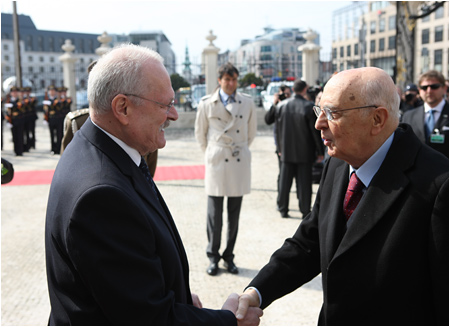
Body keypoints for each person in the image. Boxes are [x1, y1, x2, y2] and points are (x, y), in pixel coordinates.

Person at [45, 44, 262, 325]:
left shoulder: (102, 148)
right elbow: (148, 318)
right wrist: (228, 321)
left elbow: (129, 282)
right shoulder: (100, 195)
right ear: (122, 107)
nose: (173, 115)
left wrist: (178, 296)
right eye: (165, 104)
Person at [236, 67, 448, 326]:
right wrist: (257, 292)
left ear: (377, 119)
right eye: (319, 110)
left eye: (332, 113)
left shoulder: (439, 185)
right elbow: (309, 243)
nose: (318, 123)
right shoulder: (337, 164)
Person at [195, 62, 257, 276]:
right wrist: (213, 152)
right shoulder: (206, 104)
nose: (231, 83)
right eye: (227, 80)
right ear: (219, 81)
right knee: (214, 214)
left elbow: (251, 133)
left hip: (238, 159)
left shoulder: (246, 103)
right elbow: (200, 134)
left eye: (234, 80)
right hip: (218, 160)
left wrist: (237, 148)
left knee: (234, 214)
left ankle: (229, 256)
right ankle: (213, 256)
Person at [275, 79, 324, 218]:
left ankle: (282, 208)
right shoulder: (308, 107)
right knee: (304, 183)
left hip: (286, 150)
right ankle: (304, 210)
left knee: (284, 181)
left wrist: (279, 147)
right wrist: (320, 152)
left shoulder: (282, 106)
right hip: (305, 151)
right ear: (304, 90)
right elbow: (315, 132)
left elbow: (277, 130)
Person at [402, 70, 448, 158]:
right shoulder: (408, 116)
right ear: (419, 90)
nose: (429, 91)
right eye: (424, 87)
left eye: (434, 86)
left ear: (444, 88)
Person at [264, 84, 292, 192]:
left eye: (288, 94)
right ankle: (281, 197)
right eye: (284, 94)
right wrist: (274, 103)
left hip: (293, 144)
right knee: (283, 174)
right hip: (281, 146)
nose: (286, 97)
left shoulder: (295, 105)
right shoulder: (278, 107)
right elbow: (268, 120)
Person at [43, 85, 64, 155]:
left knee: (59, 134)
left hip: (58, 119)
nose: (52, 92)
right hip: (51, 119)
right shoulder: (47, 100)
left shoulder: (58, 99)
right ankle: (53, 148)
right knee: (52, 134)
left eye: (53, 91)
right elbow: (45, 111)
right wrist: (45, 119)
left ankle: (58, 148)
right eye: (50, 91)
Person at [4, 86, 25, 156]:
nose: (14, 93)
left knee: (20, 136)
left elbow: (22, 108)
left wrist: (13, 105)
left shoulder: (20, 100)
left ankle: (20, 151)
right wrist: (8, 121)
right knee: (14, 136)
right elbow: (7, 112)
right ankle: (16, 150)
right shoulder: (8, 100)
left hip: (20, 120)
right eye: (13, 92)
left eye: (15, 92)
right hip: (12, 121)